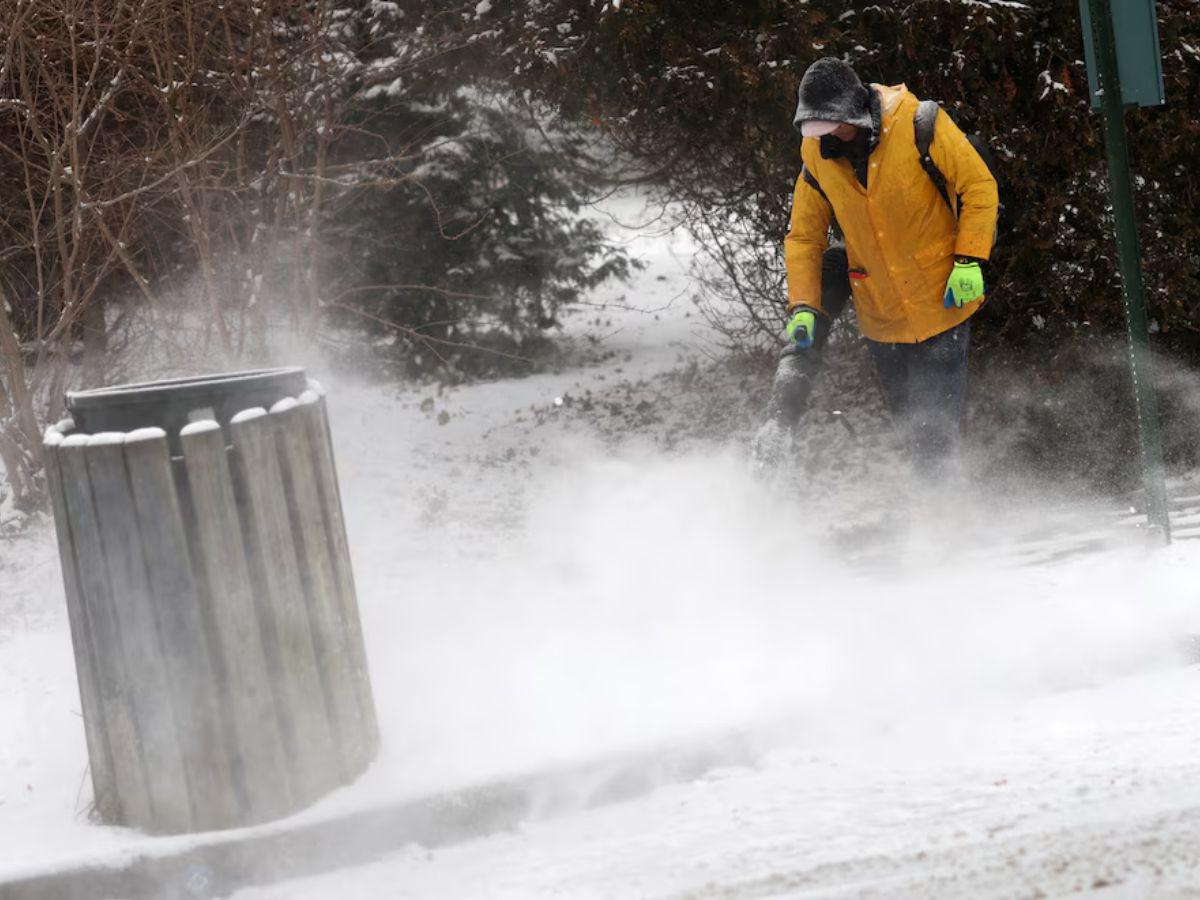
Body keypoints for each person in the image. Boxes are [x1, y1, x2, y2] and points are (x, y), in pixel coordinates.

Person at [784, 57, 999, 478]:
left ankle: (943, 522)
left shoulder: (920, 124)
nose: (824, 136)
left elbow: (978, 186)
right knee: (910, 426)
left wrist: (970, 259)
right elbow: (805, 237)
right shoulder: (816, 154)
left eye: (830, 125)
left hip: (942, 300)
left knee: (933, 426)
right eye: (815, 127)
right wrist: (804, 305)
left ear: (854, 112)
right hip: (880, 316)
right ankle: (935, 509)